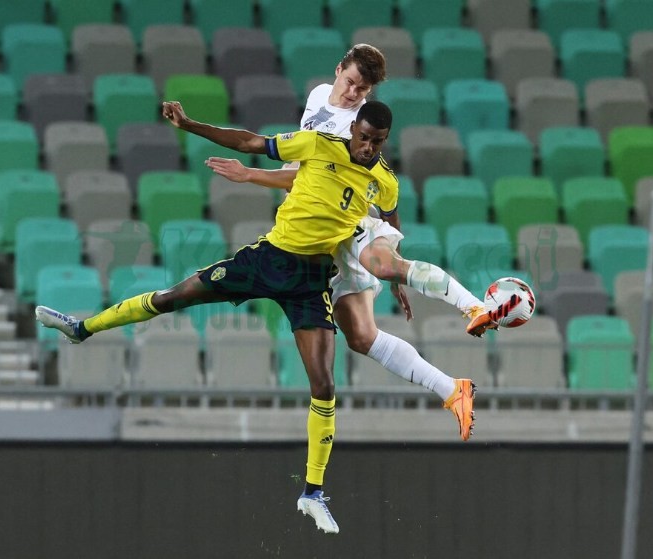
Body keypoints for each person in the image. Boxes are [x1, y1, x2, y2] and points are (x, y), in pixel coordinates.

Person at [37, 98, 401, 535]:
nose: (366, 146)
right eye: (362, 137)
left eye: (375, 141)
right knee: (174, 297)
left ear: (384, 140)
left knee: (323, 384)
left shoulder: (385, 181)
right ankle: (82, 328)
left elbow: (390, 228)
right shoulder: (318, 144)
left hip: (311, 280)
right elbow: (250, 141)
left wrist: (398, 276)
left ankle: (312, 492)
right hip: (266, 261)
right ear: (353, 130)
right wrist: (190, 125)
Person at [206, 43, 494, 442]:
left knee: (384, 265)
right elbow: (301, 166)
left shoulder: (349, 131)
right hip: (318, 237)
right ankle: (452, 389)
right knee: (360, 336)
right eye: (350, 81)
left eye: (362, 90)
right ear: (338, 70)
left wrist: (250, 176)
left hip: (345, 222)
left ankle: (475, 307)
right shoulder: (317, 97)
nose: (352, 92)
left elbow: (304, 178)